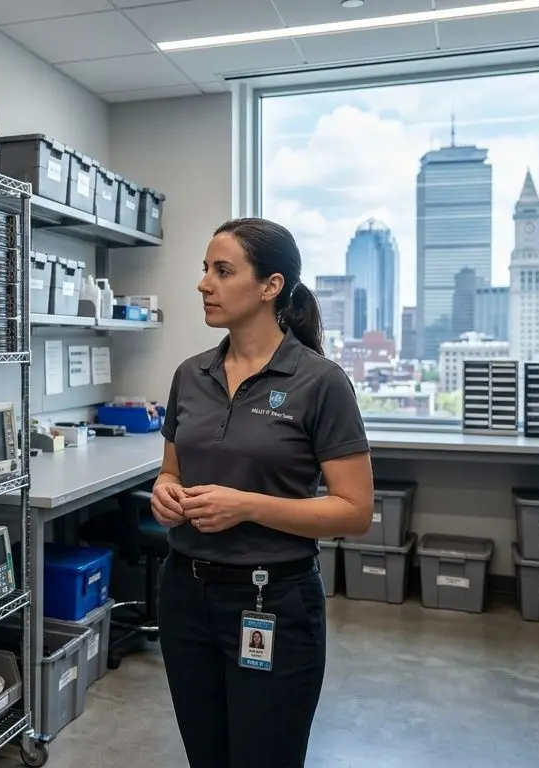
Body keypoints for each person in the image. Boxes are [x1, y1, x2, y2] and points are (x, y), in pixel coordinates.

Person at [152, 217, 375, 768]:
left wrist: (246, 506)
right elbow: (170, 472)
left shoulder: (320, 382)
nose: (204, 283)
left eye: (223, 271)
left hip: (271, 600)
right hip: (184, 595)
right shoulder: (190, 375)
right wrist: (165, 492)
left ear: (271, 286)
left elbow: (355, 511)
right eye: (205, 270)